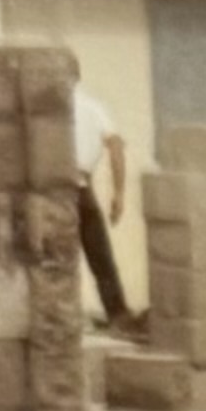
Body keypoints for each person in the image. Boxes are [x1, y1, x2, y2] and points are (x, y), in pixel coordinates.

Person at [71, 77, 142, 336]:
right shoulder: (94, 106)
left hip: (53, 187)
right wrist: (119, 194)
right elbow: (115, 147)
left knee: (56, 256)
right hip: (81, 185)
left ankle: (69, 316)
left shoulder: (52, 105)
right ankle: (117, 313)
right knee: (99, 254)